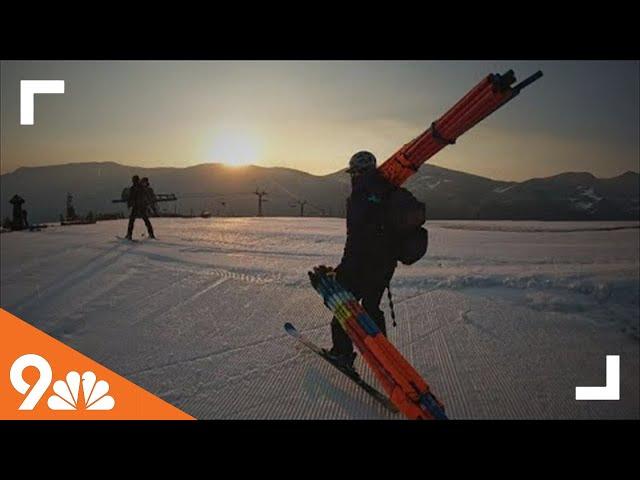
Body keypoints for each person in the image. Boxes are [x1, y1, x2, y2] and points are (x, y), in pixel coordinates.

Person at [324, 151, 398, 371]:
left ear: (358, 172)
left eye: (353, 172)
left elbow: (356, 237)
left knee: (344, 307)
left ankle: (342, 353)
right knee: (372, 308)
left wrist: (343, 269)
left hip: (362, 264)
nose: (351, 176)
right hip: (385, 264)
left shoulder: (359, 195)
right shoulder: (389, 189)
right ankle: (386, 358)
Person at [125, 175, 155, 239]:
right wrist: (148, 204)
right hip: (142, 206)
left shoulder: (133, 188)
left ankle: (129, 235)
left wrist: (129, 204)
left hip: (136, 206)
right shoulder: (141, 187)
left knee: (132, 221)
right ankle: (151, 234)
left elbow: (131, 197)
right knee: (146, 220)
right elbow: (146, 196)